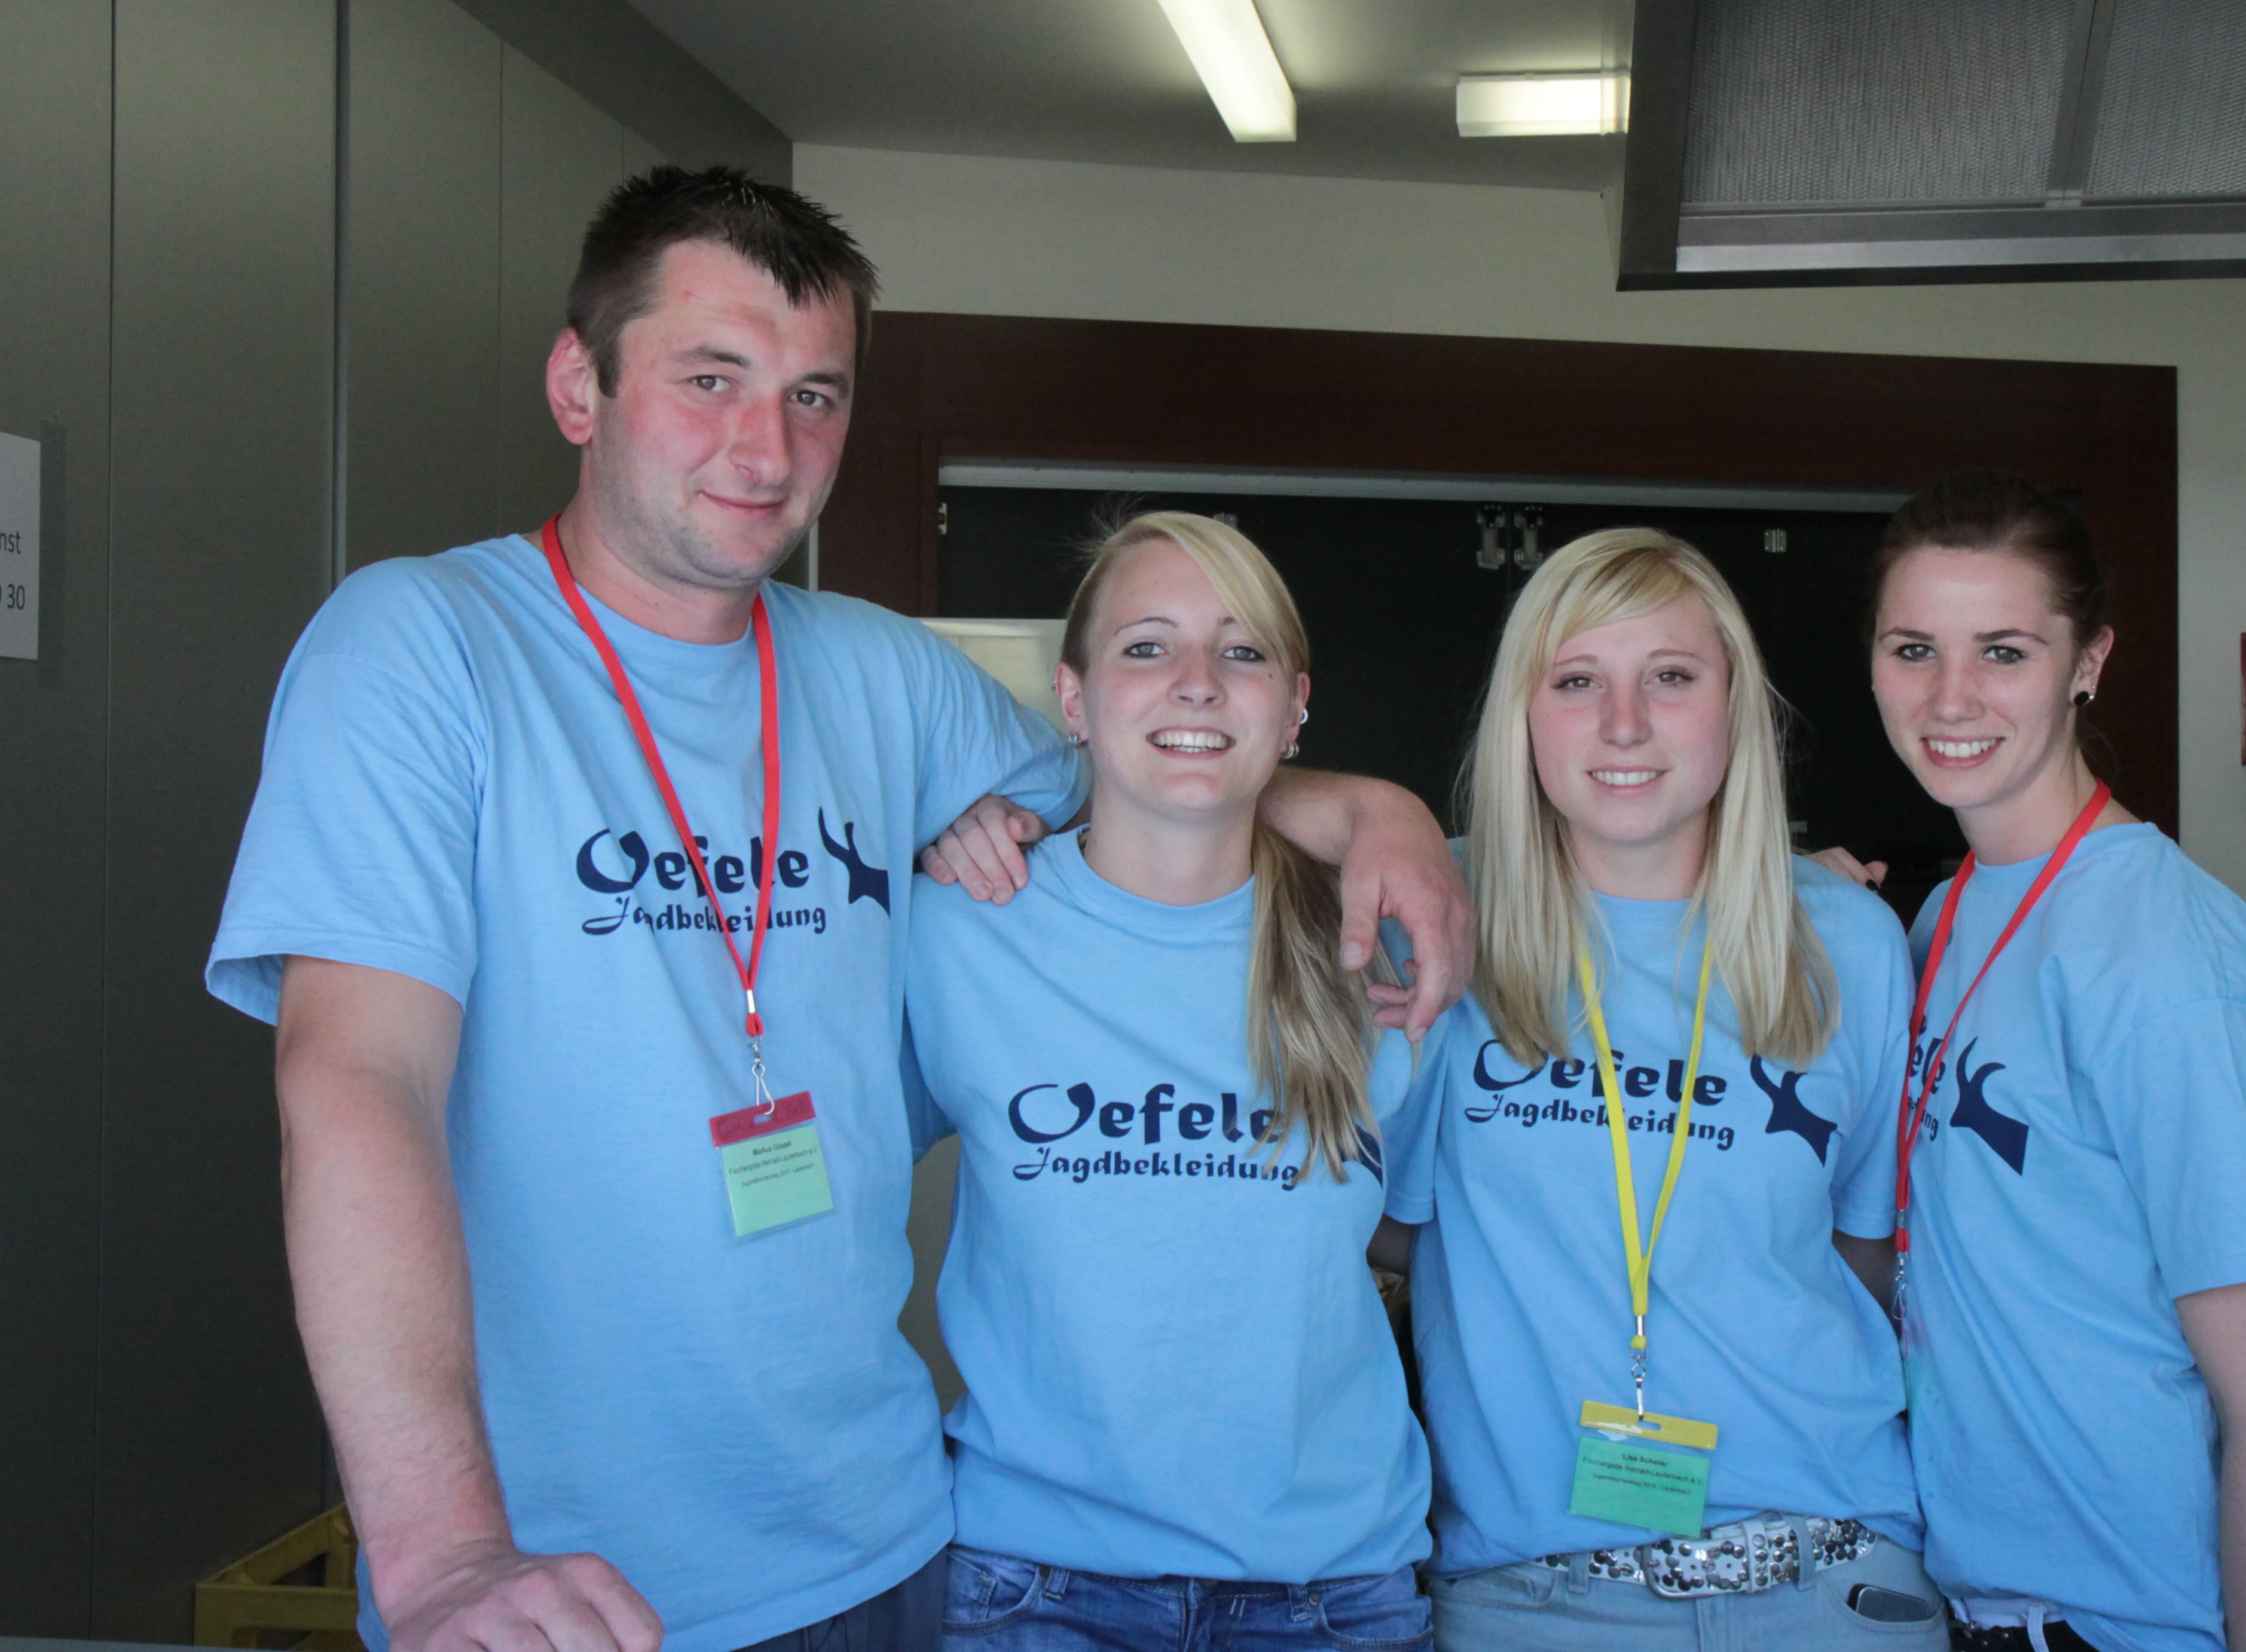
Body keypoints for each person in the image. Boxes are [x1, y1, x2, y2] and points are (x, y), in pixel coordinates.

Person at [204, 170, 1473, 1652]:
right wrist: (444, 1555)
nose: (767, 448)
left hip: (893, 1547)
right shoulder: (423, 648)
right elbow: (356, 1081)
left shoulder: (886, 679)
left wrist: (1367, 809)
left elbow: (1164, 768)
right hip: (550, 1581)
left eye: (815, 396)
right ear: (577, 385)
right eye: (711, 378)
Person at [1377, 527, 1946, 1649]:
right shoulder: (1434, 922)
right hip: (1533, 1597)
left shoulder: (1847, 940)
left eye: (1672, 678)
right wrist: (1373, 814)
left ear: (1735, 707)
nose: (1625, 723)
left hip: (1833, 1573)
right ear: (1523, 715)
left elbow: (1865, 1253)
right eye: (1577, 681)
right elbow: (1382, 1227)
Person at [901, 512, 1434, 1650]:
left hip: (1330, 1594)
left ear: (1294, 707)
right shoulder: (957, 925)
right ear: (1075, 697)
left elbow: (1449, 1231)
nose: (1197, 681)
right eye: (1147, 647)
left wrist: (1805, 882)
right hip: (1032, 1589)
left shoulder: (1384, 945)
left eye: (1241, 652)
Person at [1867, 471, 2246, 1652]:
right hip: (1980, 1603)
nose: (1950, 698)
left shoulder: (2167, 958)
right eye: (1914, 649)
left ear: (2088, 662)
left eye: (2004, 652)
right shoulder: (1948, 914)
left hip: (2138, 1623)